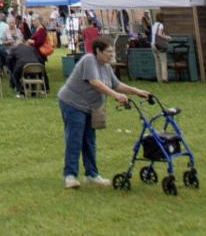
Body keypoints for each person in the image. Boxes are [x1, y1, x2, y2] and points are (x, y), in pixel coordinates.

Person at [58, 36, 152, 188]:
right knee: (75, 139)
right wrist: (115, 96)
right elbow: (95, 82)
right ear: (98, 51)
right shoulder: (89, 60)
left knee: (89, 139)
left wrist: (137, 91)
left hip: (91, 107)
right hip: (73, 103)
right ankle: (70, 176)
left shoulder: (106, 66)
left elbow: (117, 84)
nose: (111, 55)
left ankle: (91, 174)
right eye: (108, 52)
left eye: (112, 51)